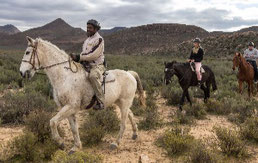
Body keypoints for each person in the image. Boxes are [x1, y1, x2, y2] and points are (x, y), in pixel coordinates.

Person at [71, 19, 105, 110]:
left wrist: (79, 57)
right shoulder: (87, 40)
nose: (88, 29)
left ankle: (101, 101)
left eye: (90, 28)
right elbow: (84, 53)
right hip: (86, 64)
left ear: (95, 29)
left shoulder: (99, 39)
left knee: (92, 76)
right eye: (87, 27)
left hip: (97, 65)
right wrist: (76, 58)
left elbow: (93, 55)